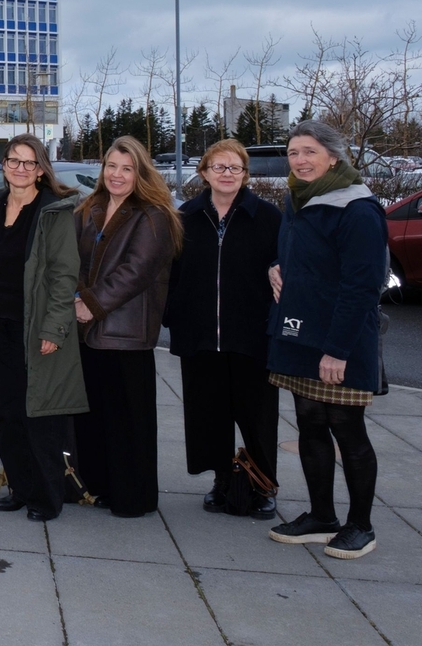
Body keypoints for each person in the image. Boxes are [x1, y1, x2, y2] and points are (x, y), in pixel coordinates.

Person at [265, 121, 388, 559]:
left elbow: (363, 285)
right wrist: (276, 267)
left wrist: (337, 350)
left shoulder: (357, 208)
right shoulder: (298, 199)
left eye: (309, 152)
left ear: (334, 156)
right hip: (300, 331)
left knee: (347, 430)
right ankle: (322, 516)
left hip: (340, 340)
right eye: (294, 152)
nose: (299, 160)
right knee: (310, 422)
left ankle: (361, 526)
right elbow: (296, 253)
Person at [0, 134, 87, 521]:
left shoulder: (54, 211)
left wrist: (54, 330)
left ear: (41, 168)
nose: (20, 169)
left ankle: (47, 497)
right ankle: (19, 487)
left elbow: (65, 276)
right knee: (8, 413)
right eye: (14, 160)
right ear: (4, 163)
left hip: (33, 327)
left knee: (39, 415)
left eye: (29, 163)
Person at [165, 139, 282, 519]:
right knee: (208, 414)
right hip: (200, 335)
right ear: (204, 173)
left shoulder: (267, 217)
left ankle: (263, 486)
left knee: (257, 415)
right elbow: (170, 275)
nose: (227, 174)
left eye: (235, 168)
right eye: (219, 167)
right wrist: (173, 316)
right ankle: (221, 481)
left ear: (246, 175)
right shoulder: (185, 217)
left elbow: (283, 266)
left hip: (251, 335)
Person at [72, 136, 181, 518]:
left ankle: (134, 498)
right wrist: (75, 300)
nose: (116, 175)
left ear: (140, 172)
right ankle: (100, 486)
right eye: (111, 166)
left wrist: (91, 304)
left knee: (128, 421)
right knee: (95, 416)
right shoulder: (90, 208)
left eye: (126, 168)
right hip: (88, 331)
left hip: (126, 334)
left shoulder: (153, 215)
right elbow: (75, 262)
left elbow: (136, 272)